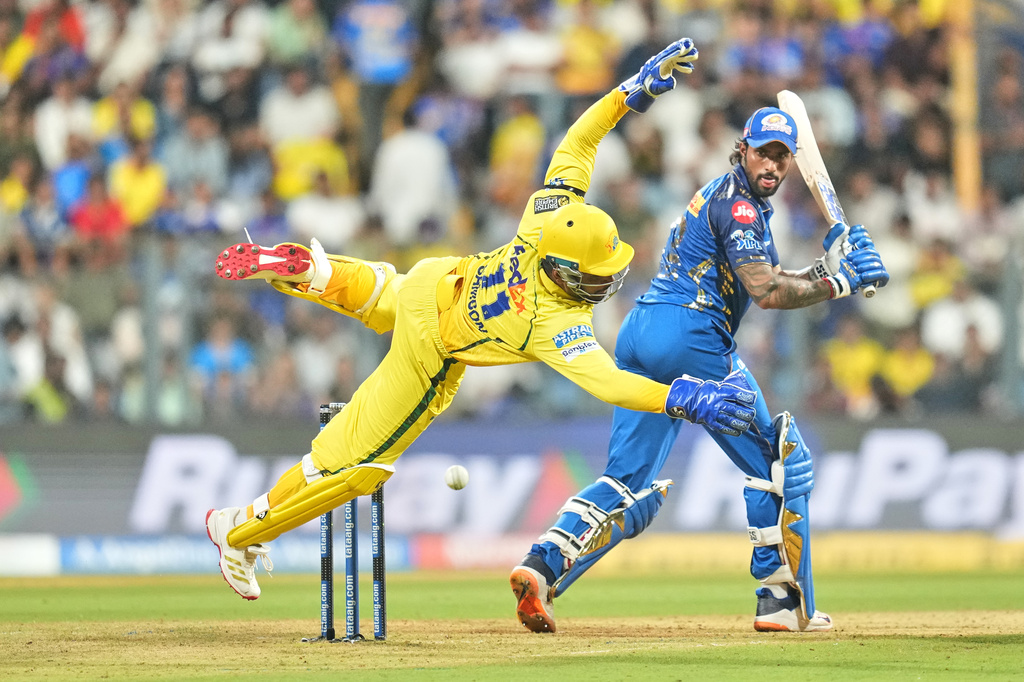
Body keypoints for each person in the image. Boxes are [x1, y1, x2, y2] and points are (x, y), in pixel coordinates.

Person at [204, 38, 760, 601]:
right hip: (435, 349)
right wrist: (680, 398)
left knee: (382, 291)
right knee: (357, 468)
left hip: (434, 282)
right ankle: (239, 531)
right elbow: (608, 381)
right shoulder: (550, 322)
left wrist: (630, 92)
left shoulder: (547, 213)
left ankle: (309, 271)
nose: (603, 286)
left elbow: (579, 140)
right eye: (595, 278)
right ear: (567, 272)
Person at [510, 106, 889, 634]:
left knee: (627, 482)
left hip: (643, 332)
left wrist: (829, 268)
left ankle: (542, 566)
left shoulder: (723, 194)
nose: (773, 166)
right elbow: (767, 290)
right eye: (765, 153)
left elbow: (770, 275)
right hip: (691, 335)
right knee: (780, 464)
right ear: (743, 148)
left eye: (783, 157)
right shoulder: (740, 209)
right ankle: (781, 601)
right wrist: (839, 285)